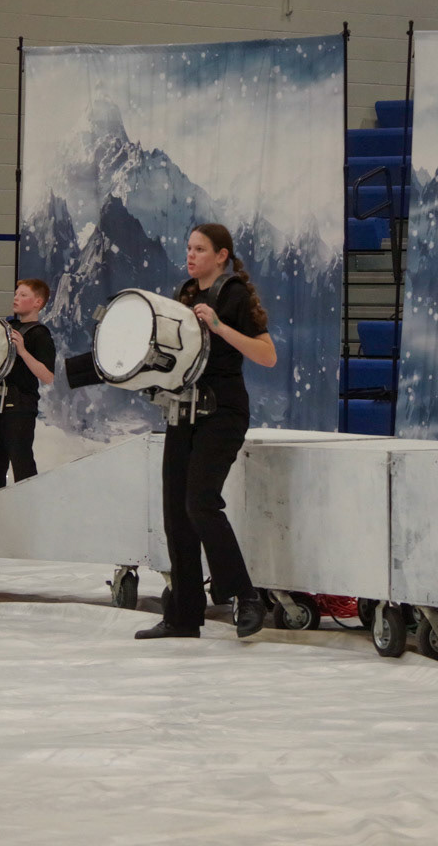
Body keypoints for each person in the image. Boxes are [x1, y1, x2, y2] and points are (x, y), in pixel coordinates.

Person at [136, 224, 277, 641]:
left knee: (200, 502)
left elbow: (267, 355)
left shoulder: (234, 294)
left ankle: (246, 596)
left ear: (221, 255)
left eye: (200, 249)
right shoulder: (183, 295)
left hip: (222, 413)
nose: (191, 255)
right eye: (188, 248)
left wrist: (219, 326)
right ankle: (183, 615)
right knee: (175, 514)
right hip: (183, 411)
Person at [0, 277, 56, 492]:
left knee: (21, 462)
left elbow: (48, 376)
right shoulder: (7, 327)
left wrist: (23, 351)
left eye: (23, 295)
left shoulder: (40, 334)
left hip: (19, 406)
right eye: (15, 294)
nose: (16, 298)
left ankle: (28, 505)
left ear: (38, 302)